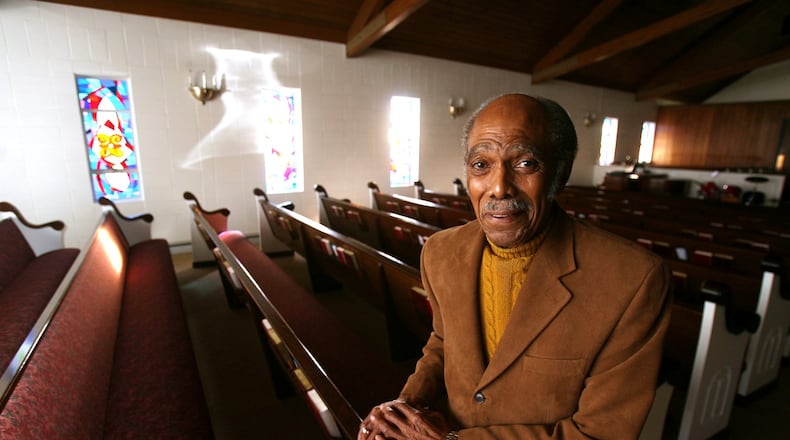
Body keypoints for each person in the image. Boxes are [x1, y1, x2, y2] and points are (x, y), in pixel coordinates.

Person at [358, 93, 671, 439]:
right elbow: (444, 342)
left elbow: (601, 433)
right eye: (481, 165)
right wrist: (404, 410)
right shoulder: (440, 251)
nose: (499, 188)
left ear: (561, 173)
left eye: (525, 163)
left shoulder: (633, 280)